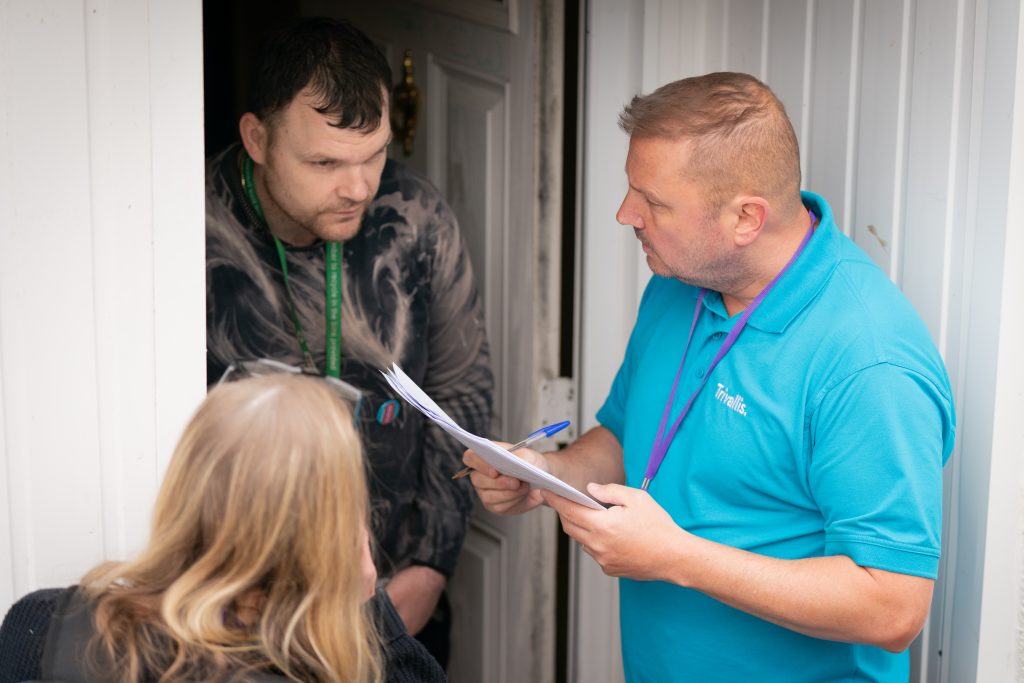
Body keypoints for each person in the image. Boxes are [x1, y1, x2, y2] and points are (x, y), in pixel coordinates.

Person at [464, 72, 956, 682]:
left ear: (747, 217)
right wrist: (548, 474)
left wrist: (676, 558)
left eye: (654, 202)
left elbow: (892, 606)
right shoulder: (678, 285)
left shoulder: (867, 361)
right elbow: (627, 436)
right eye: (631, 191)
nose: (625, 215)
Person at [205, 17, 493, 666]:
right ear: (257, 137)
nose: (359, 186)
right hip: (235, 614)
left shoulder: (417, 216)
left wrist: (430, 566)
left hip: (397, 598)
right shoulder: (185, 225)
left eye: (374, 155)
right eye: (326, 162)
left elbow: (461, 395)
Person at [0, 374, 446, 683]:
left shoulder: (41, 623)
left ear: (183, 490)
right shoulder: (324, 670)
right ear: (335, 534)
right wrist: (365, 606)